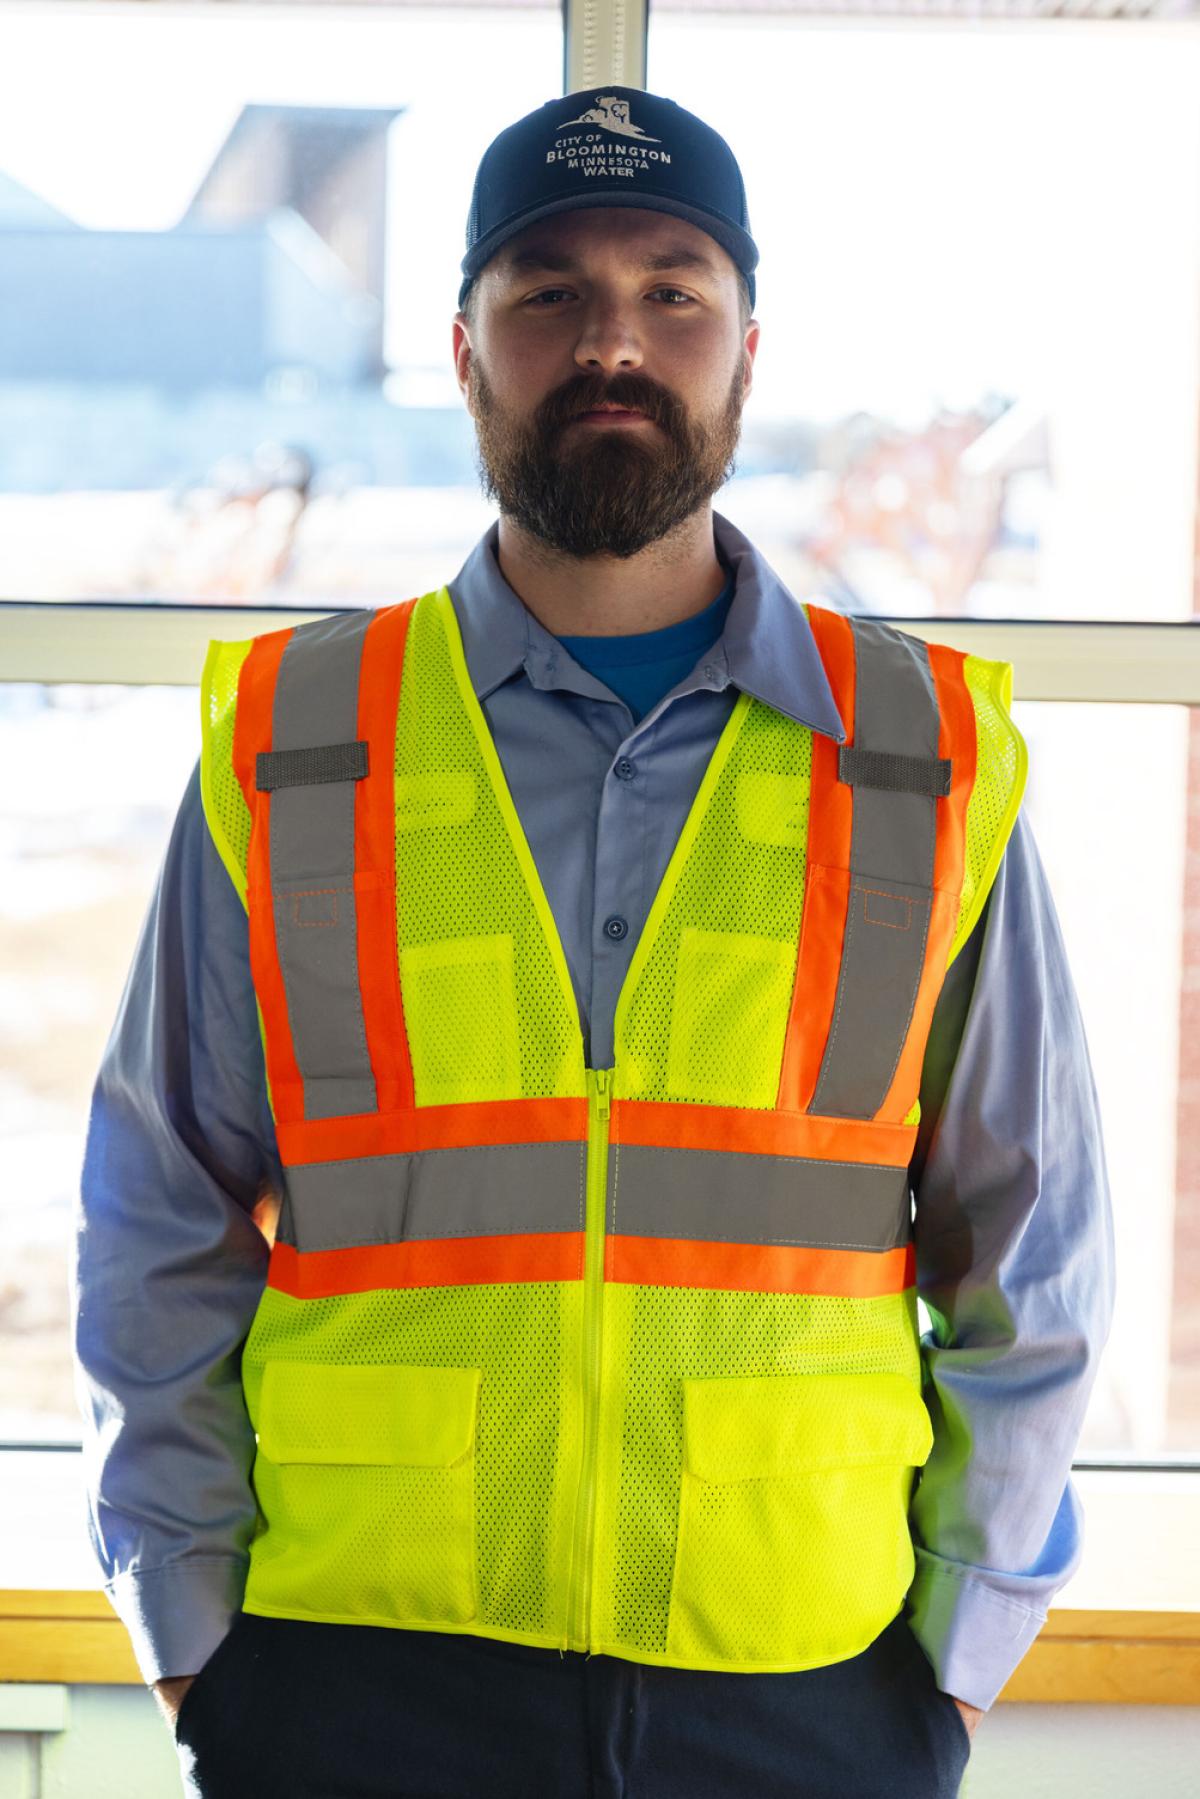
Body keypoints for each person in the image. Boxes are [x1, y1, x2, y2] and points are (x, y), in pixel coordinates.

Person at [72, 85, 1116, 1799]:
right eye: (548, 292)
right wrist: (197, 1641)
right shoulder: (297, 734)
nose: (611, 340)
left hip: (809, 1695)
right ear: (469, 349)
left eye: (672, 289)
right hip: (356, 1686)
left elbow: (1036, 1243)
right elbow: (157, 1209)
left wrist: (960, 1662)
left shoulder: (918, 753)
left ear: (748, 352)